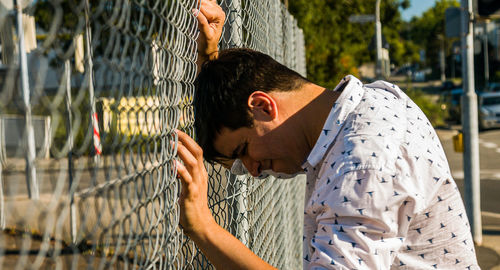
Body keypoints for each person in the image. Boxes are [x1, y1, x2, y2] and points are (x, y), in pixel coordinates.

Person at [174, 0, 480, 269]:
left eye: (243, 149)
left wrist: (203, 228)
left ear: (263, 106)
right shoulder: (371, 102)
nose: (251, 171)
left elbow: (359, 173)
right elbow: (242, 153)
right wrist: (210, 61)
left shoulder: (361, 166)